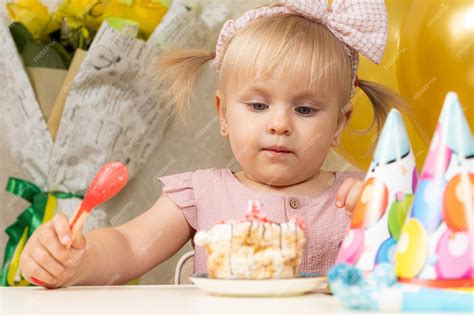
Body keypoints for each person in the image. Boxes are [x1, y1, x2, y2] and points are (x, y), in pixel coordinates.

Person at [19, 0, 404, 288]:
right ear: (223, 114)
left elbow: (420, 263)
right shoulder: (200, 193)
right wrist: (75, 261)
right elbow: (129, 245)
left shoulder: (360, 197)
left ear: (339, 123)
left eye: (305, 109)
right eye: (257, 105)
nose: (280, 124)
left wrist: (383, 219)